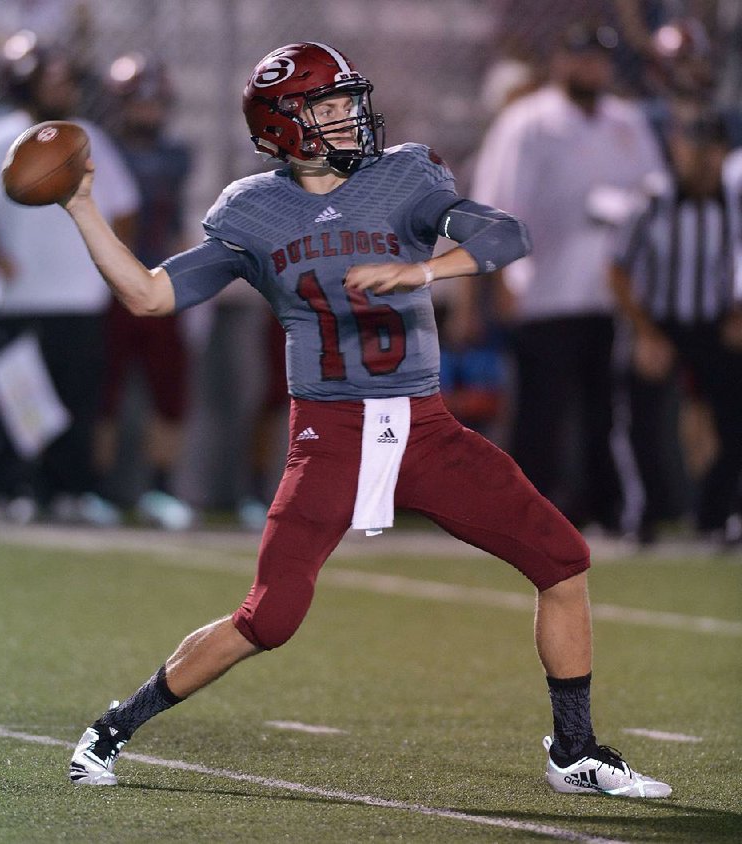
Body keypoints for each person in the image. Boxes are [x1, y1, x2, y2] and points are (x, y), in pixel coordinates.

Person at [64, 42, 670, 798]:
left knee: (563, 562)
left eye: (345, 99)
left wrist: (424, 268)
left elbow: (506, 236)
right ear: (283, 125)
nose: (348, 116)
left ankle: (574, 751)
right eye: (324, 105)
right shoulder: (252, 211)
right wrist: (80, 207)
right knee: (271, 618)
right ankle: (113, 727)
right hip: (330, 435)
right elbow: (150, 296)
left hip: (426, 426)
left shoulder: (406, 176)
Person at [472, 22, 664, 533]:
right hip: (545, 290)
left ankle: (606, 509)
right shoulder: (528, 122)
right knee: (542, 410)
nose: (590, 69)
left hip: (614, 292)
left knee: (606, 410)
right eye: (581, 58)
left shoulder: (627, 121)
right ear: (561, 61)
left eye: (599, 60)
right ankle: (526, 515)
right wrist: (504, 278)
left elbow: (654, 193)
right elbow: (499, 204)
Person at [0, 30, 139, 524]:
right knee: (16, 397)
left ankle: (70, 489)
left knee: (76, 396)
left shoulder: (88, 141)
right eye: (50, 78)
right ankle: (3, 487)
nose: (60, 87)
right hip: (17, 296)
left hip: (78, 295)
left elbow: (124, 207)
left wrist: (111, 259)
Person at [611, 111, 742, 545]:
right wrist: (646, 333)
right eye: (695, 147)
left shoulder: (735, 199)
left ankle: (716, 516)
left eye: (712, 149)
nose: (703, 159)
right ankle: (644, 512)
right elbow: (617, 271)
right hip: (660, 321)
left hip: (714, 322)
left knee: (733, 420)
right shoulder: (652, 198)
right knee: (640, 421)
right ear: (677, 148)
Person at [94, 52, 195, 530]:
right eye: (141, 101)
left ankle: (160, 486)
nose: (150, 110)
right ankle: (100, 488)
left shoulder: (176, 157)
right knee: (105, 392)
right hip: (112, 287)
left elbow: (176, 227)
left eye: (156, 101)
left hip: (161, 282)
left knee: (168, 390)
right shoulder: (102, 151)